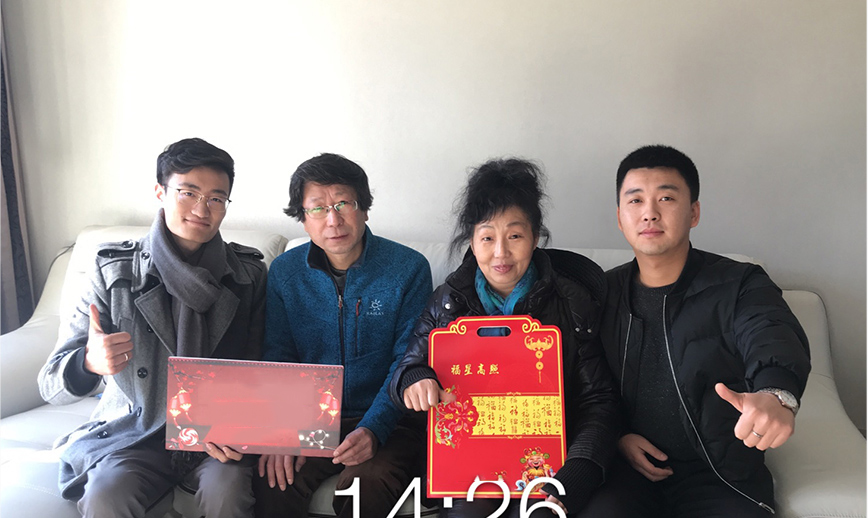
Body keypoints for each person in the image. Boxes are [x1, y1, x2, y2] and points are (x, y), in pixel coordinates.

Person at [37, 138, 266, 518]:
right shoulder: (113, 271)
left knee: (227, 493)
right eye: (188, 193)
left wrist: (237, 426)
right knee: (107, 495)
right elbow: (50, 384)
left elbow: (260, 369)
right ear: (160, 192)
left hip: (216, 436)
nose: (202, 209)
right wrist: (89, 363)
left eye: (216, 198)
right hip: (135, 432)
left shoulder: (247, 276)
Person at [580, 145, 811, 517]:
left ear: (694, 212)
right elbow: (585, 383)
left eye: (666, 198)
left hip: (720, 473)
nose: (649, 212)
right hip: (626, 472)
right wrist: (617, 437)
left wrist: (775, 394)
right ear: (620, 218)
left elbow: (771, 332)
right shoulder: (600, 294)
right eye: (635, 200)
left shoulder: (739, 283)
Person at [390, 158, 619, 517]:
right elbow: (406, 370)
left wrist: (578, 471)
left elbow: (599, 399)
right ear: (471, 241)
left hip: (551, 463)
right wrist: (415, 378)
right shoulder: (448, 302)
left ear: (535, 237)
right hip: (470, 465)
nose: (501, 252)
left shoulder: (572, 302)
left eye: (514, 236)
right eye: (487, 237)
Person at [254, 153, 433, 518]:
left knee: (364, 488)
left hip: (392, 422)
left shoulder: (408, 269)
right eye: (318, 208)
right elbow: (279, 355)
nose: (333, 220)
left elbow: (407, 360)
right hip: (311, 421)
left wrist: (374, 428)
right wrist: (282, 431)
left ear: (364, 208)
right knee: (273, 481)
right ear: (303, 218)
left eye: (343, 204)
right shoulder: (285, 273)